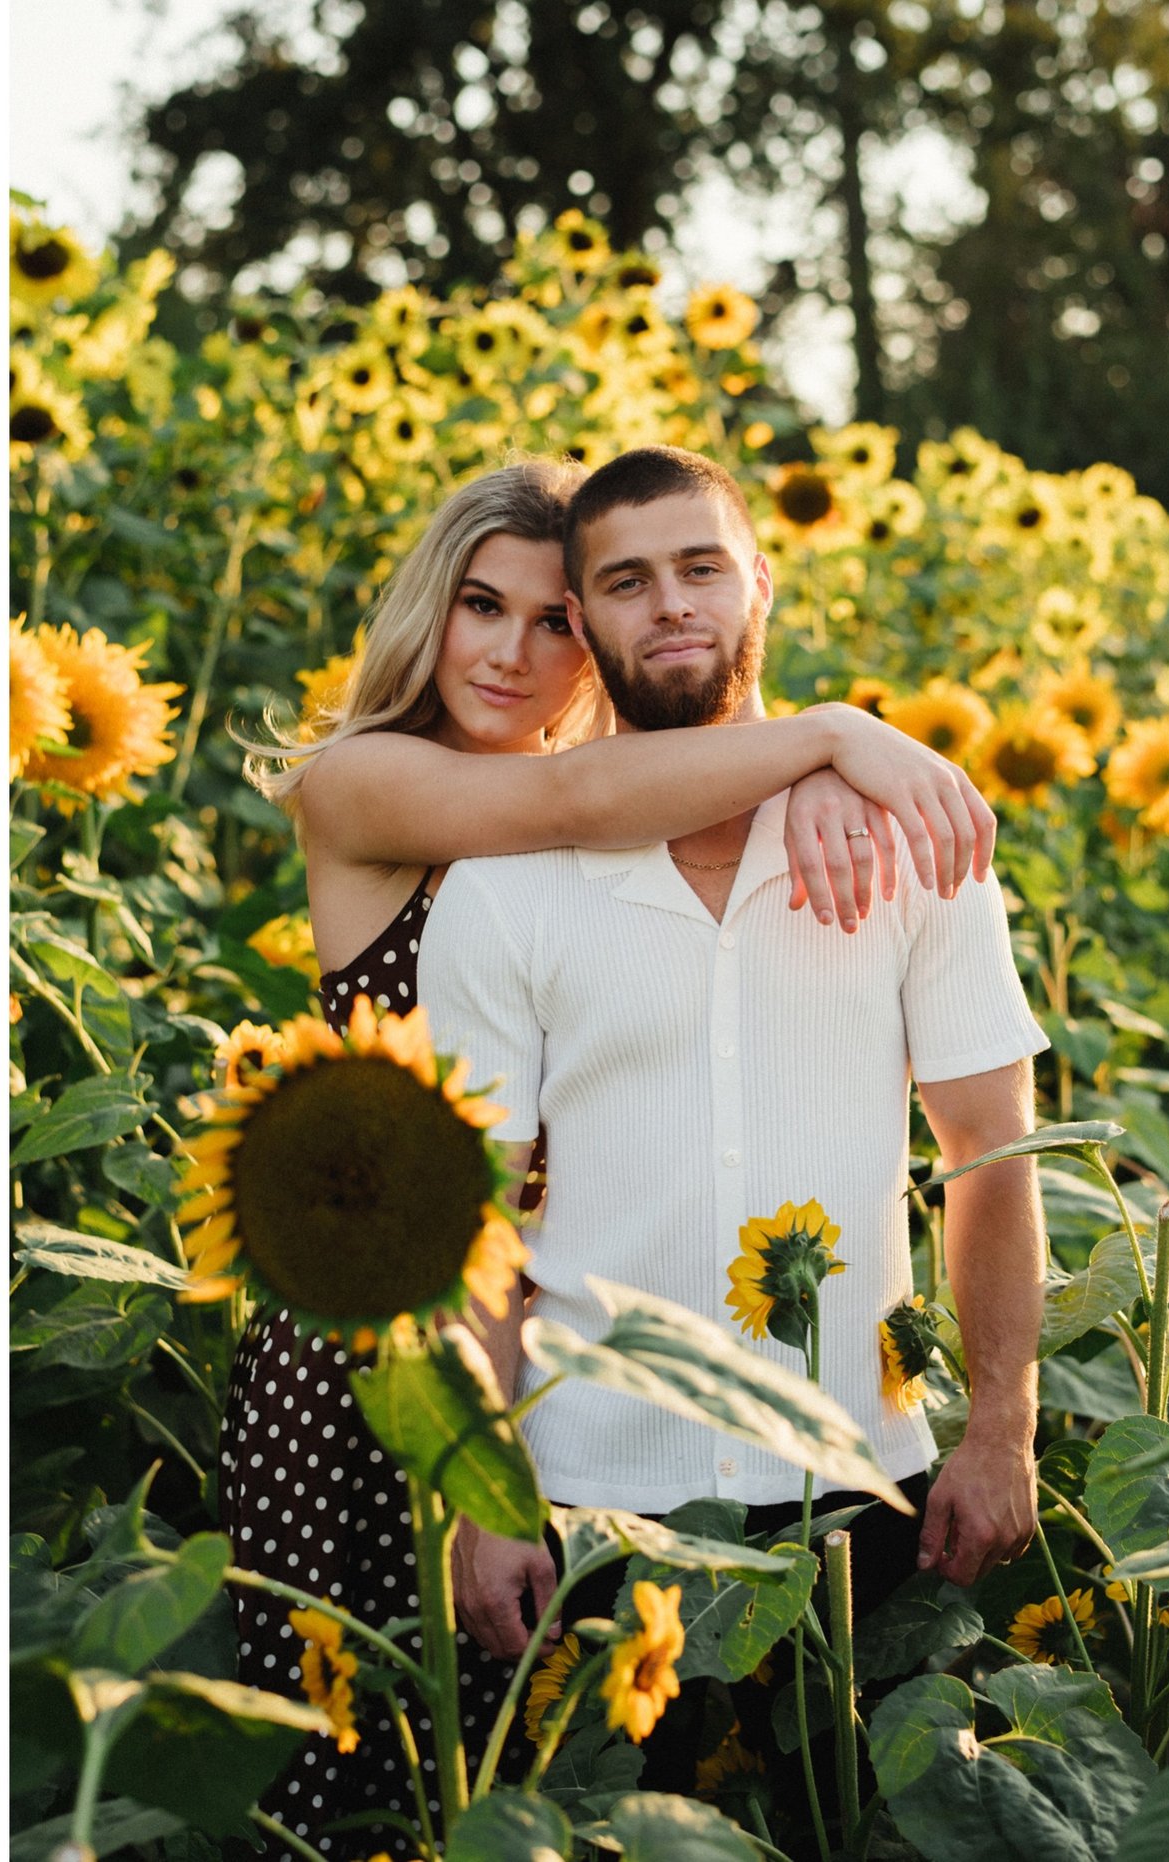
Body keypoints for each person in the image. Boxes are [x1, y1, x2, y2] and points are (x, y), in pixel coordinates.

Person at [225, 458, 998, 1854]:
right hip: (375, 1332)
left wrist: (819, 765)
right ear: (426, 615)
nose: (513, 652)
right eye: (479, 607)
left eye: (549, 621)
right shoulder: (374, 782)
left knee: (525, 1747)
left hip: (527, 1314)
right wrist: (830, 733)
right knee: (371, 1739)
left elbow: (668, 762)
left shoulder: (608, 784)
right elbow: (586, 807)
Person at [418, 445, 1044, 1831]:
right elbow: (477, 1225)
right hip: (593, 1495)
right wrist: (485, 1494)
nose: (674, 604)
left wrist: (1001, 1421)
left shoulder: (910, 838)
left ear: (759, 579)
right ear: (583, 624)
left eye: (702, 565)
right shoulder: (507, 886)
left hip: (862, 1485)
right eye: (628, 582)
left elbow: (992, 1151)